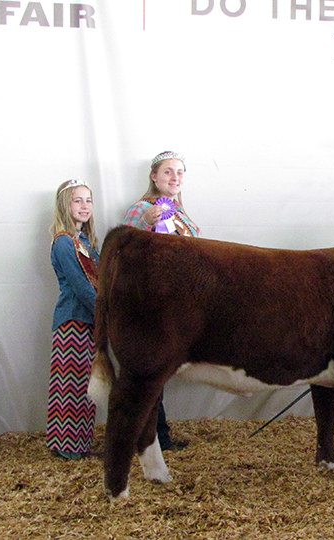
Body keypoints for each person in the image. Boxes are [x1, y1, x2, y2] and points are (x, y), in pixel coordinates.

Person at [121, 150, 199, 451]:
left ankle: (157, 437)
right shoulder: (141, 209)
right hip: (151, 302)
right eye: (168, 172)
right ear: (154, 176)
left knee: (159, 371)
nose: (175, 177)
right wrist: (145, 222)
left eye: (180, 172)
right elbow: (124, 249)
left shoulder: (182, 214)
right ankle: (152, 439)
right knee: (151, 371)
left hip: (178, 303)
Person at [47, 179, 100, 459]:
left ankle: (80, 444)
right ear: (65, 205)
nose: (84, 206)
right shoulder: (64, 243)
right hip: (72, 322)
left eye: (88, 200)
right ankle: (66, 446)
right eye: (77, 200)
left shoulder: (87, 244)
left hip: (88, 323)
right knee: (70, 384)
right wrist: (105, 313)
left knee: (85, 386)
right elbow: (81, 287)